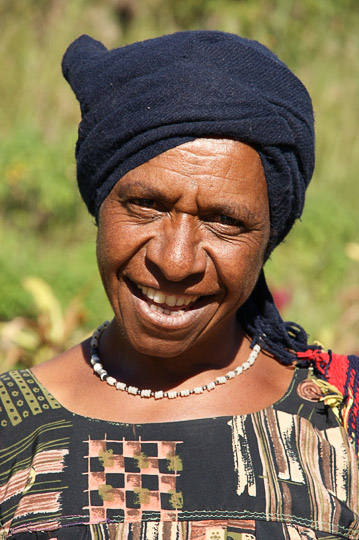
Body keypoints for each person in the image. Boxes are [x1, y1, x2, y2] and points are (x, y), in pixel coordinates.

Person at [0, 30, 358, 540]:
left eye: (223, 221)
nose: (174, 260)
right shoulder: (11, 428)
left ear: (268, 238)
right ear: (100, 204)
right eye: (146, 205)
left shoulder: (341, 421)